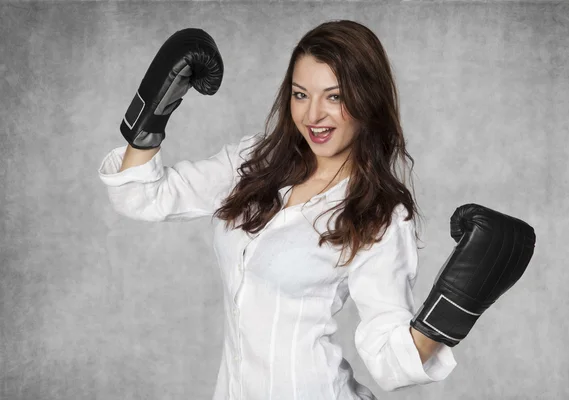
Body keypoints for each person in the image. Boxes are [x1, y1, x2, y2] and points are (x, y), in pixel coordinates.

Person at [98, 20, 535, 400]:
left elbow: (389, 360)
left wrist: (459, 304)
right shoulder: (254, 161)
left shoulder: (380, 213)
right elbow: (143, 196)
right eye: (300, 94)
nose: (313, 114)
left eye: (334, 96)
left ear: (367, 99)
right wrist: (151, 112)